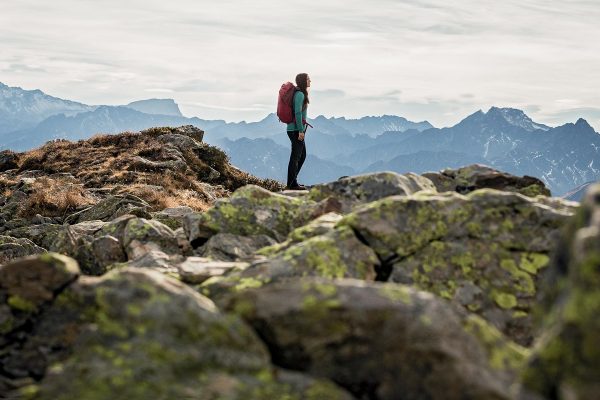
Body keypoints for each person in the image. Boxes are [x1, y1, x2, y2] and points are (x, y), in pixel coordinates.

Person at [286, 73, 311, 190]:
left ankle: (292, 182)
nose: (310, 81)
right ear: (303, 81)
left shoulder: (300, 93)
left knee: (301, 155)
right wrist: (301, 130)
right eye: (308, 79)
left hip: (296, 129)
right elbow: (297, 113)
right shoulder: (300, 94)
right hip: (296, 130)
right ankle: (292, 184)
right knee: (296, 157)